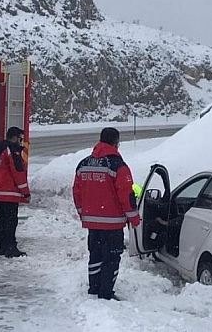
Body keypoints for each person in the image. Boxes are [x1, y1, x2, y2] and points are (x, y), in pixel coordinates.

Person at [72, 127, 140, 301]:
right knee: (111, 257)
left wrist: (83, 214)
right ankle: (106, 292)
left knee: (95, 255)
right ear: (116, 143)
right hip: (113, 223)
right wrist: (134, 218)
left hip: (92, 224)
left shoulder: (83, 164)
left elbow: (77, 192)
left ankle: (94, 287)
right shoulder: (118, 166)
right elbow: (126, 195)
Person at [0, 126, 30, 258]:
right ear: (14, 138)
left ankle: (3, 246)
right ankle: (11, 247)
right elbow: (18, 173)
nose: (20, 141)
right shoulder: (11, 151)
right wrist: (25, 192)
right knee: (11, 222)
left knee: (2, 220)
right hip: (9, 193)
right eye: (19, 138)